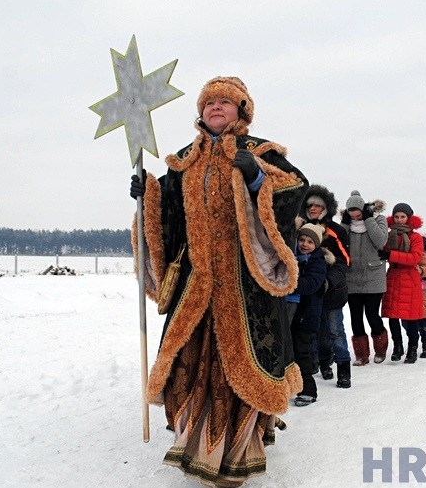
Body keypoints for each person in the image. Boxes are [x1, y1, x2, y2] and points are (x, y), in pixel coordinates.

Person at [128, 76, 309, 487]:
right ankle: (195, 442)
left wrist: (258, 181)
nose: (216, 108)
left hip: (245, 287)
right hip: (196, 284)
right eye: (210, 103)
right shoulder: (184, 159)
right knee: (188, 365)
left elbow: (295, 189)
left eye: (226, 102)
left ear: (241, 111)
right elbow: (166, 219)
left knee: (242, 367)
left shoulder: (260, 153)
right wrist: (147, 194)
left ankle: (242, 446)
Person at [298, 184, 352, 389]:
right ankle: (321, 364)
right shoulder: (299, 227)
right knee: (314, 331)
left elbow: (345, 261)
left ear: (326, 208)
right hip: (307, 291)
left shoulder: (335, 230)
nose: (313, 208)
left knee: (335, 330)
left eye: (318, 205)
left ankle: (344, 370)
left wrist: (328, 281)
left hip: (332, 291)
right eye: (310, 204)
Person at [340, 191, 389, 364]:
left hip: (374, 276)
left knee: (371, 314)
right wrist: (345, 224)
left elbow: (380, 240)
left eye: (357, 210)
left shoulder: (378, 219)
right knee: (355, 316)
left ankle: (380, 349)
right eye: (350, 211)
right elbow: (340, 243)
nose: (354, 214)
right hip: (351, 276)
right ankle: (361, 354)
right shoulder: (347, 224)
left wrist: (368, 219)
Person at [288, 223, 330, 407]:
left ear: (317, 245)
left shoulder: (317, 262)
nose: (305, 244)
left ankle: (309, 390)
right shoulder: (292, 256)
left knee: (302, 352)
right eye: (302, 239)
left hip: (307, 314)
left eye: (310, 241)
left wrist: (285, 281)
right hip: (291, 311)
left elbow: (311, 284)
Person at [379, 203, 426, 363]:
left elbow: (414, 258)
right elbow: (381, 249)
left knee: (411, 318)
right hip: (393, 277)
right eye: (397, 216)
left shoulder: (415, 237)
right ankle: (398, 346)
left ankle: (412, 348)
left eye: (403, 217)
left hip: (409, 278)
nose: (399, 220)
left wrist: (390, 254)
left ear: (409, 218)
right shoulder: (388, 235)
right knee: (393, 316)